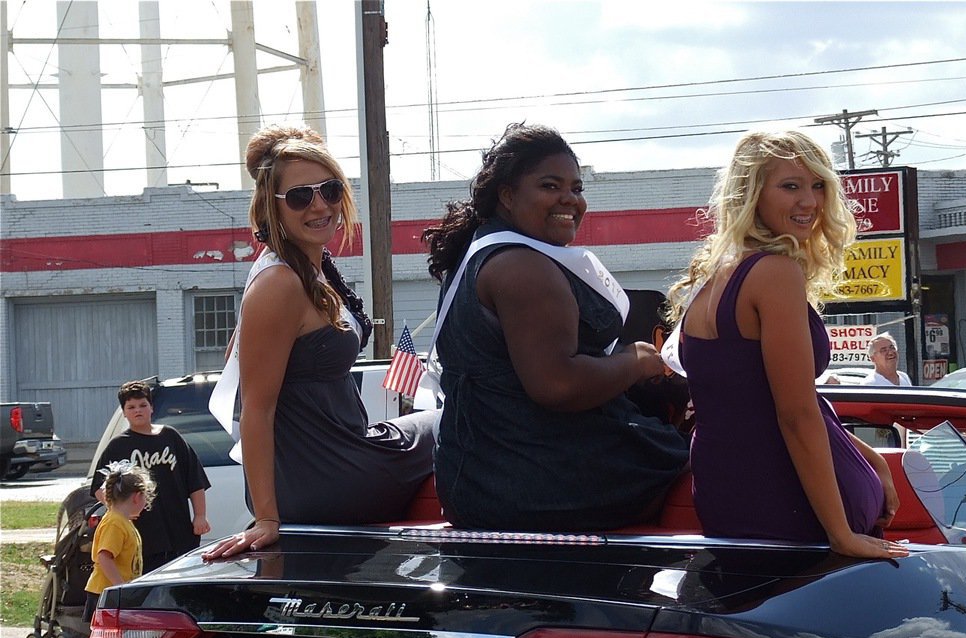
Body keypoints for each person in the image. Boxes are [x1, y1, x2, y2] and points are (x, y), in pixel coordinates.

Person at [422, 122, 689, 530]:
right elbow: (558, 384)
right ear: (508, 195)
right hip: (539, 481)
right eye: (550, 186)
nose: (570, 199)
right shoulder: (522, 267)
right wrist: (634, 361)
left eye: (577, 188)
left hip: (481, 475)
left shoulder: (483, 252)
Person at [667, 129, 906, 559]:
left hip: (725, 492)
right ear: (751, 192)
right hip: (786, 502)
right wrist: (842, 535)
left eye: (818, 186)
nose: (810, 202)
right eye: (790, 186)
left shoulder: (713, 276)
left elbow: (747, 400)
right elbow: (794, 414)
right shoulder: (774, 273)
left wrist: (869, 455)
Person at [203, 124, 437, 560]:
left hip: (340, 454)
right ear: (272, 207)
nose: (319, 205)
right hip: (324, 477)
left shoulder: (306, 269)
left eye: (329, 190)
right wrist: (268, 517)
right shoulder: (278, 283)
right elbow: (256, 407)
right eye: (299, 196)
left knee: (434, 421)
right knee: (445, 422)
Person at [89, 380, 210, 572]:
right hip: (142, 532)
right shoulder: (118, 445)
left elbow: (195, 480)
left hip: (178, 528)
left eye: (143, 405)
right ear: (124, 412)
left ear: (152, 407)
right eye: (131, 407)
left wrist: (200, 516)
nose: (138, 410)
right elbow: (99, 487)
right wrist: (120, 511)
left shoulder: (171, 437)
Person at [84, 461, 155, 623]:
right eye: (146, 497)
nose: (146, 503)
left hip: (114, 593)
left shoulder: (123, 521)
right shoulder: (115, 523)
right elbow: (104, 557)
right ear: (137, 497)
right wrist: (120, 587)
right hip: (106, 594)